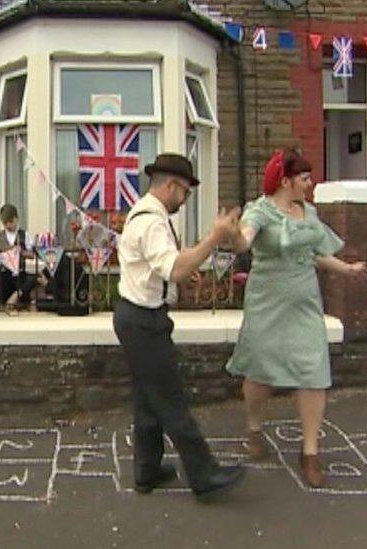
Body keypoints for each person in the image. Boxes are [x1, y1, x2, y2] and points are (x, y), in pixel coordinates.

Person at [225, 149, 367, 488]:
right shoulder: (259, 211)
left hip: (304, 301)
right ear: (285, 180)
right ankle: (254, 429)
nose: (310, 184)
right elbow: (243, 241)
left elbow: (316, 253)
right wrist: (230, 235)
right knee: (260, 370)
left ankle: (310, 452)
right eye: (305, 178)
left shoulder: (309, 213)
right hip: (267, 301)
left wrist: (347, 269)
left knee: (313, 370)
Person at [113, 152, 246, 501]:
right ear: (171, 185)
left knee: (148, 398)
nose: (184, 199)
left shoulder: (147, 214)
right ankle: (204, 474)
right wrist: (214, 237)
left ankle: (147, 471)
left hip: (136, 316)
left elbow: (163, 265)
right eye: (185, 192)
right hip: (143, 321)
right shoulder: (152, 221)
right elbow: (173, 269)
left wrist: (190, 260)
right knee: (171, 400)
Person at [0, 204, 37, 315]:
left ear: (16, 219)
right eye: (5, 223)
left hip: (20, 270)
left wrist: (21, 252)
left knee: (31, 279)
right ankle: (10, 303)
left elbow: (32, 254)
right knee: (1, 277)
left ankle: (13, 300)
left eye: (10, 222)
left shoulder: (24, 235)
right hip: (5, 271)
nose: (8, 225)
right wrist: (3, 252)